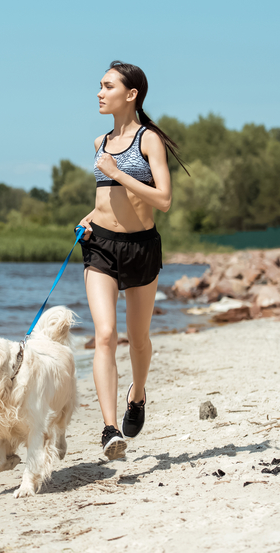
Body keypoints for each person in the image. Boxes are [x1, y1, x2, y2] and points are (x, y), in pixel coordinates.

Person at [78, 60, 187, 460]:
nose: (99, 93)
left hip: (141, 247)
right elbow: (105, 202)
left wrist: (118, 172)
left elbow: (164, 200)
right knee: (104, 335)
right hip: (101, 247)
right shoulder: (99, 142)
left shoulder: (148, 140)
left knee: (138, 339)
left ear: (131, 93)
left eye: (107, 86)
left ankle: (137, 395)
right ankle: (109, 430)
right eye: (100, 86)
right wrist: (89, 219)